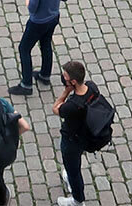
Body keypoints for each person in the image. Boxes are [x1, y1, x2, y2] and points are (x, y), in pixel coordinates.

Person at [10, 0, 70, 96]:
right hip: (53, 18)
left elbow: (31, 8)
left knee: (24, 49)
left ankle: (26, 84)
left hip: (37, 23)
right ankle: (44, 75)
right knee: (46, 44)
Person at [53, 60, 96, 206]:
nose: (62, 78)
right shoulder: (92, 87)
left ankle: (77, 199)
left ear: (73, 81)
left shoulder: (71, 106)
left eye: (65, 77)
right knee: (73, 165)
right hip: (84, 134)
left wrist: (66, 91)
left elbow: (56, 108)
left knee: (73, 168)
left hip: (72, 141)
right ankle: (71, 179)